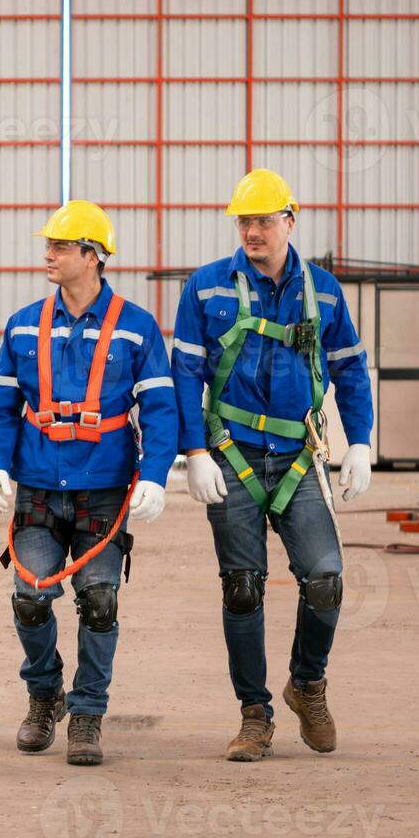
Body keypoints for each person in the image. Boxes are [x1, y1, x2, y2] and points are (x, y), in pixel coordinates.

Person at [171, 169, 374, 762]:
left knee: (325, 578)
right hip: (230, 455)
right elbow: (185, 375)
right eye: (244, 221)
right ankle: (254, 715)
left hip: (296, 456)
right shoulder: (206, 288)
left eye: (263, 220)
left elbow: (350, 372)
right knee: (242, 588)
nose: (252, 231)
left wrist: (356, 441)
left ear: (291, 220)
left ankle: (307, 684)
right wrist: (194, 452)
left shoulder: (326, 293)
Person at [0, 200, 174, 766]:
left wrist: (156, 476)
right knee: (31, 598)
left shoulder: (136, 329)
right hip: (38, 487)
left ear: (93, 256)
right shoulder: (21, 326)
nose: (49, 255)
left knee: (100, 601)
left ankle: (87, 713)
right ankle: (44, 697)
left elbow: (159, 409)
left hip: (104, 490)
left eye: (60, 247)